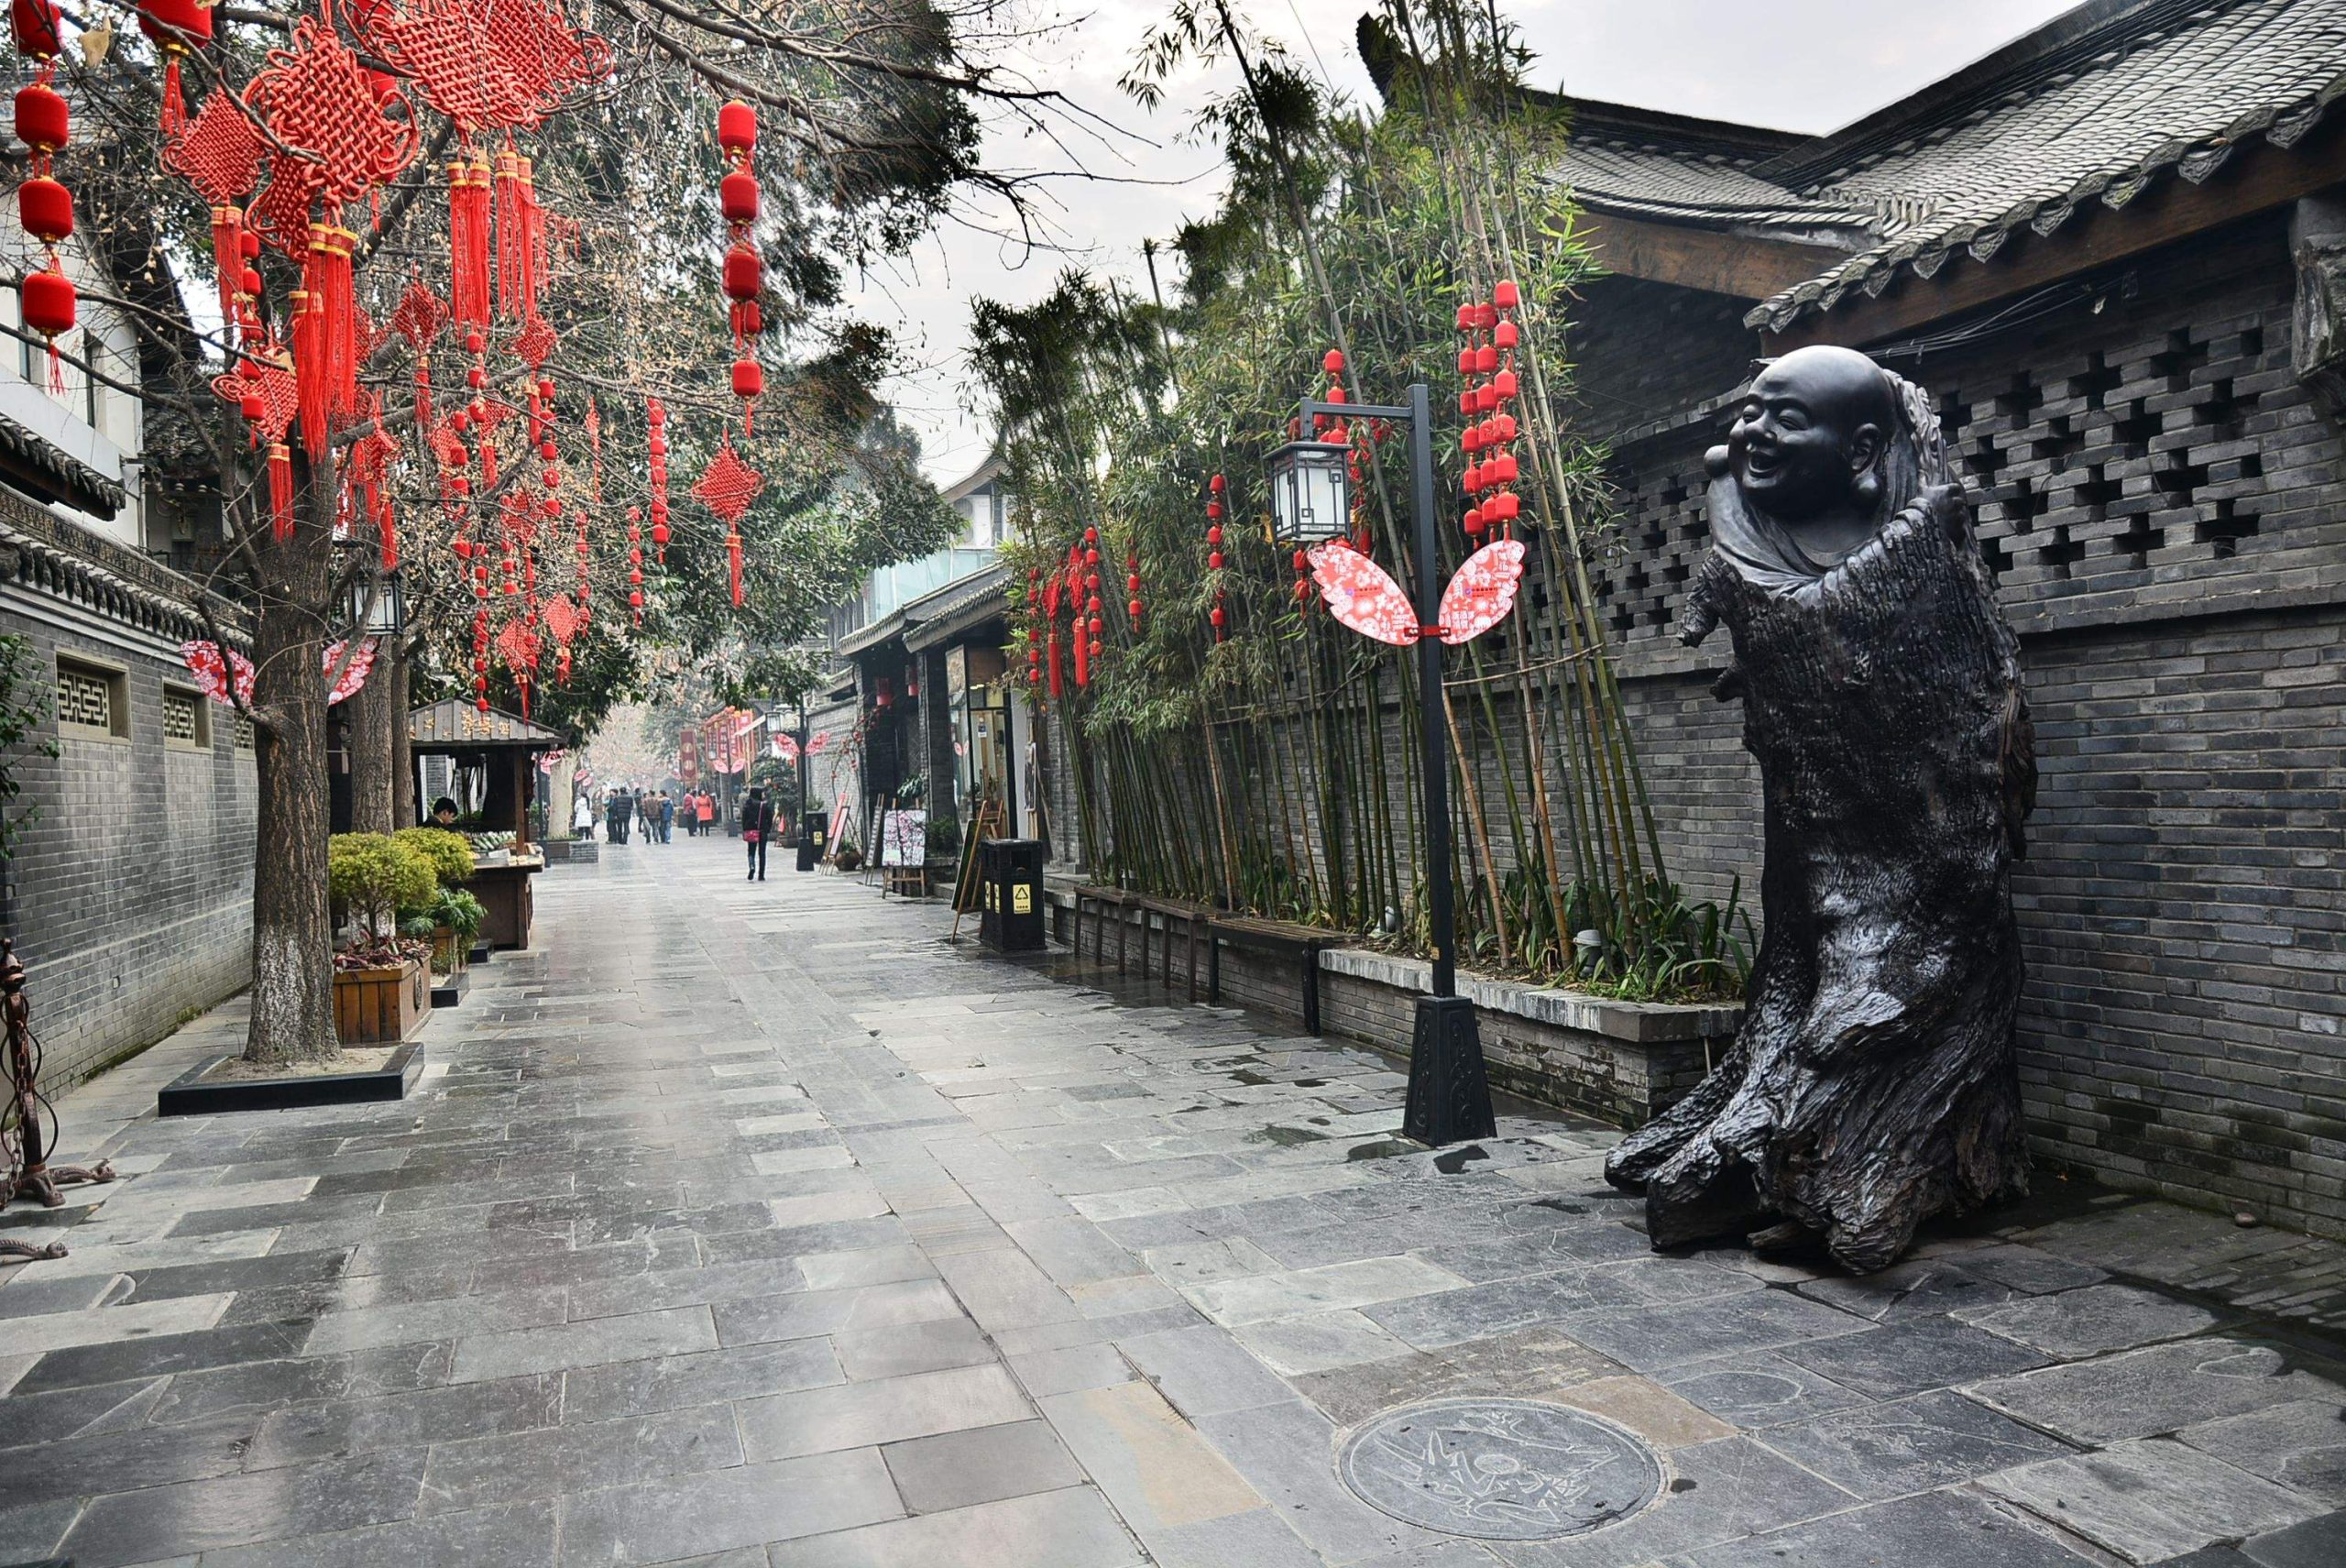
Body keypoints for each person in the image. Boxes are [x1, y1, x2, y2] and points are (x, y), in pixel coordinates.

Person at [741, 785, 773, 881]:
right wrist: (767, 829)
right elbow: (770, 818)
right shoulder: (764, 805)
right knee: (762, 853)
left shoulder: (748, 804)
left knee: (751, 852)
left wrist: (745, 829)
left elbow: (744, 819)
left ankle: (752, 866)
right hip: (762, 831)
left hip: (751, 832)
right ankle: (761, 875)